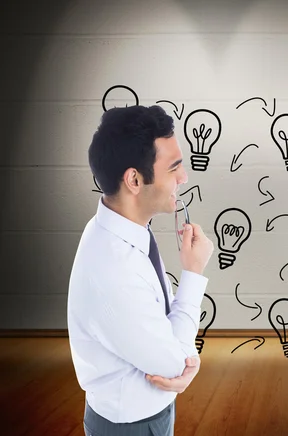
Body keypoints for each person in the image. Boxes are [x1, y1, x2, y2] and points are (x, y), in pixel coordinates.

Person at [67, 105, 214, 436]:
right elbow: (172, 363)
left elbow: (159, 321)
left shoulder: (125, 230)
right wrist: (193, 273)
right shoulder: (113, 269)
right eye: (174, 167)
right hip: (130, 427)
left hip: (147, 415)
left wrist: (186, 358)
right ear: (134, 179)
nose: (184, 177)